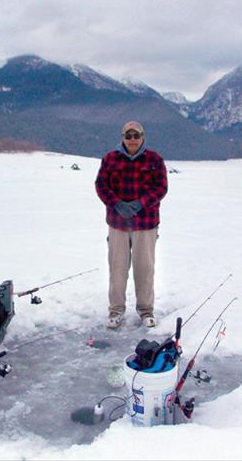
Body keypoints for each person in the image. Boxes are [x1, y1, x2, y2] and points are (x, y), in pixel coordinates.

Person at [95, 121, 168, 329]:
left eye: (136, 135)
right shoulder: (110, 159)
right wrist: (116, 204)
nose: (133, 140)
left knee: (144, 269)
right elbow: (101, 185)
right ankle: (116, 310)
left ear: (143, 137)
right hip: (118, 223)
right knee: (117, 268)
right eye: (129, 135)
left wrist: (140, 204)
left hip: (145, 224)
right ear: (123, 137)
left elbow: (161, 187)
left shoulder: (154, 160)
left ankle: (146, 310)